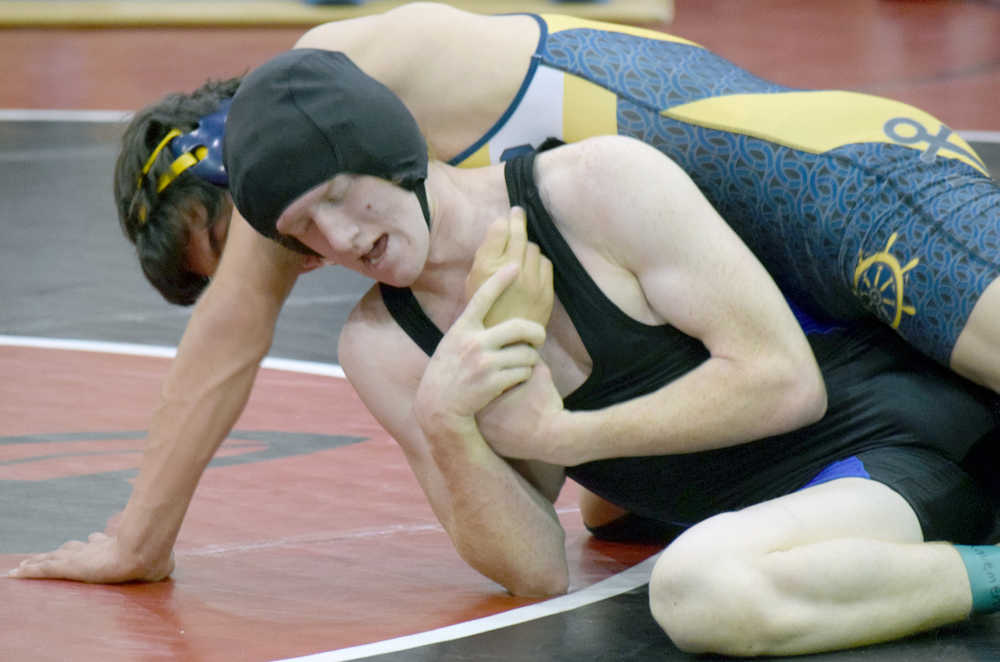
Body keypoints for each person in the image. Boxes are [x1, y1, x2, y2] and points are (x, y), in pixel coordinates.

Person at [14, 48, 1000, 657]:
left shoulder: (598, 185)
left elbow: (781, 383)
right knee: (668, 553)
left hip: (881, 436)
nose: (342, 236)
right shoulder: (385, 347)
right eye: (305, 230)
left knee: (698, 588)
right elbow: (534, 570)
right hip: (768, 510)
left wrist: (556, 429)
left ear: (385, 145)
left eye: (342, 193)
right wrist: (451, 425)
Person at [114, 2, 1000, 394]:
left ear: (238, 155)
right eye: (292, 242)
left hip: (854, 194)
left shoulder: (345, 70)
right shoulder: (431, 223)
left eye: (251, 240)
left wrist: (138, 535)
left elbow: (229, 340)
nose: (297, 257)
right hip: (812, 298)